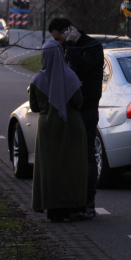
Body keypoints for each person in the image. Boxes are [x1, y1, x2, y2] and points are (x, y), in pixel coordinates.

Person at [48, 18, 104, 219]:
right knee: (69, 157)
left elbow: (78, 67)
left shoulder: (92, 46)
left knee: (87, 155)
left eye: (59, 38)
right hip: (67, 108)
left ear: (69, 31)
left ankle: (88, 203)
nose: (59, 43)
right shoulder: (65, 46)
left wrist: (70, 44)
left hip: (86, 108)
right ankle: (71, 202)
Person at [30, 40, 88, 222]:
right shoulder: (70, 77)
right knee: (72, 167)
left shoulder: (37, 80)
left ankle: (51, 207)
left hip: (48, 129)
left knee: (49, 168)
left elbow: (34, 107)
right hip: (71, 127)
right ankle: (72, 207)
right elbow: (79, 102)